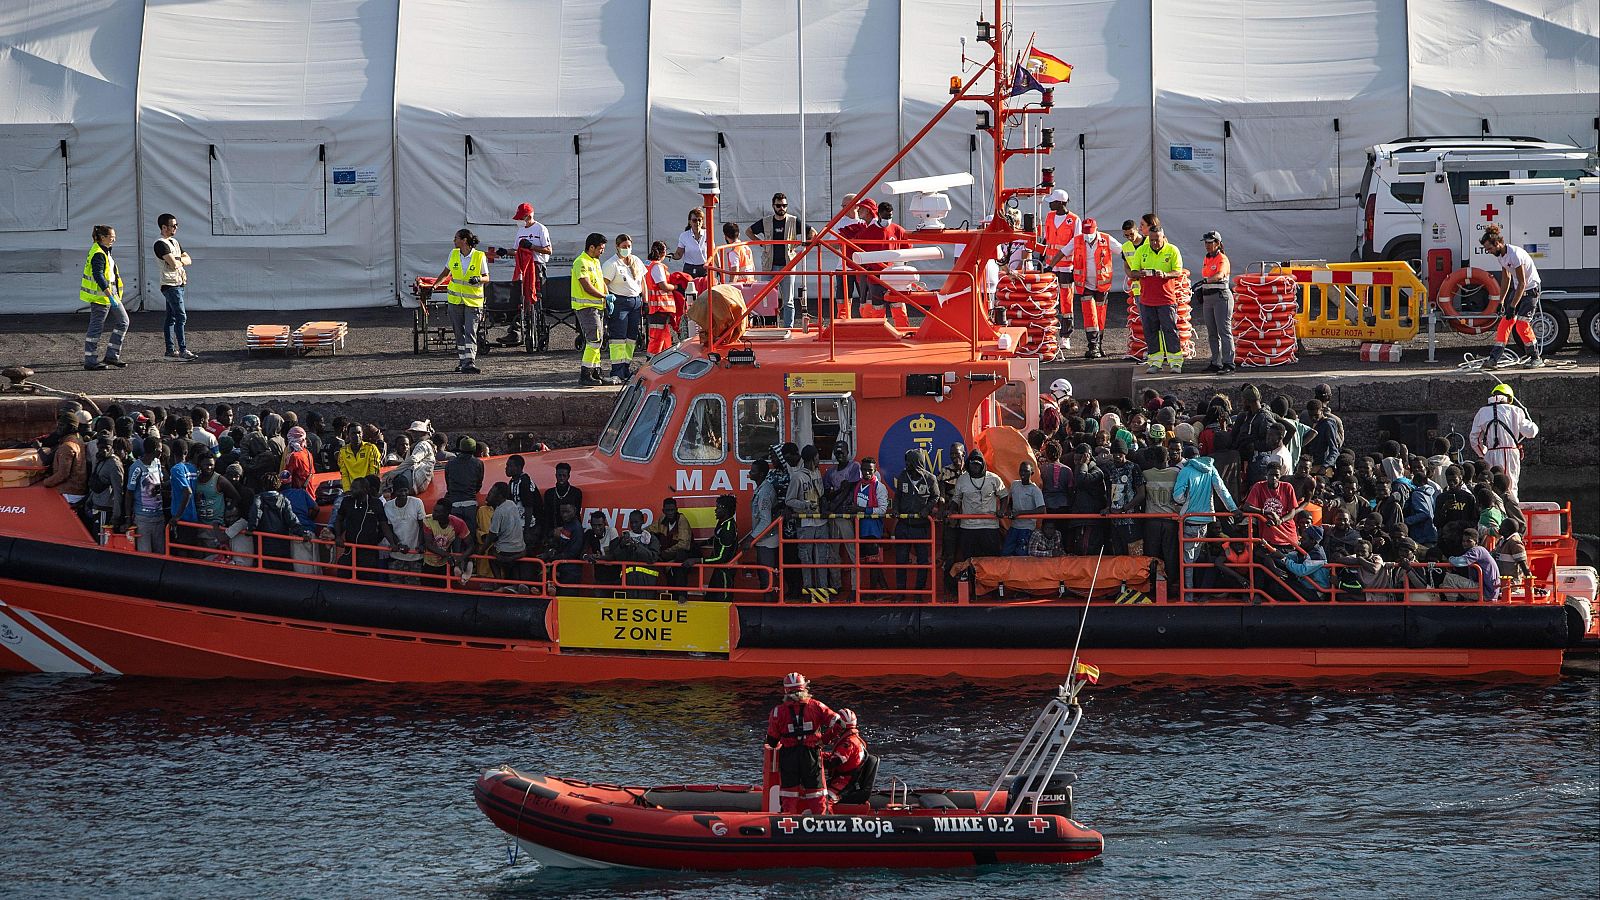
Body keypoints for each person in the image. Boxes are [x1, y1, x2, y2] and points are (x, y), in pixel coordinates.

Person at [764, 672, 841, 814]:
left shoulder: (777, 712)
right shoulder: (817, 706)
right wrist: (824, 740)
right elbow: (839, 723)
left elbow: (772, 741)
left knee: (789, 794)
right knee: (816, 793)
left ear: (786, 690)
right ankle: (820, 824)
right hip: (811, 754)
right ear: (804, 688)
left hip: (789, 756)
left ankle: (788, 823)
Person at [1479, 224, 1545, 368]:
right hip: (1519, 290)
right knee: (1505, 323)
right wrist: (1501, 301)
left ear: (1497, 244)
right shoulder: (1501, 256)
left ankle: (1535, 357)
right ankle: (1494, 359)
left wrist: (1513, 306)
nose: (1489, 251)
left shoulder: (1514, 254)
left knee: (1521, 324)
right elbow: (1506, 279)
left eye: (1489, 248)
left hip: (1530, 289)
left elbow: (1522, 282)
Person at [1172, 445, 1238, 588]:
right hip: (1206, 522)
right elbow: (1222, 490)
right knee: (1198, 559)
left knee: (1187, 562)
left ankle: (1188, 595)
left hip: (1189, 520)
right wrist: (1233, 508)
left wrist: (1186, 501)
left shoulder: (1185, 471)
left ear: (1186, 458)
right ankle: (1200, 591)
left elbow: (1177, 496)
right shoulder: (1211, 469)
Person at [1128, 221, 1186, 373]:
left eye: (1157, 239)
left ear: (1163, 237)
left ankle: (1175, 363)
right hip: (1147, 300)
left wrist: (1165, 275)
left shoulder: (1172, 250)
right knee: (1150, 331)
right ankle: (1155, 362)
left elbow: (1178, 271)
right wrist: (1139, 274)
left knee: (1170, 330)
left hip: (1166, 299)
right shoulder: (1142, 251)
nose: (1154, 242)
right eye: (1152, 239)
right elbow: (1133, 272)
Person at [747, 192, 811, 327]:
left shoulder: (793, 221)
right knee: (766, 298)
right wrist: (761, 243)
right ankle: (768, 326)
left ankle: (789, 327)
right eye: (779, 205)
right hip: (769, 266)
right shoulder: (766, 221)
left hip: (788, 266)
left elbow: (812, 233)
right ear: (773, 206)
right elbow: (749, 231)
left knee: (788, 300)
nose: (781, 208)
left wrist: (798, 243)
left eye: (784, 205)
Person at [1470, 383, 1538, 501]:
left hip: (1490, 453)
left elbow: (1474, 439)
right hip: (1511, 453)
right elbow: (1530, 432)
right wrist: (1533, 425)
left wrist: (1483, 453)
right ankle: (1513, 512)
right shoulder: (1516, 411)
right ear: (1509, 398)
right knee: (1511, 486)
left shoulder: (1482, 412)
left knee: (1491, 485)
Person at [435, 228, 488, 375]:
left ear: (464, 240)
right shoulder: (453, 254)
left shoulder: (479, 256)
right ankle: (462, 361)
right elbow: (446, 273)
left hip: (473, 302)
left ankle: (469, 362)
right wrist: (435, 285)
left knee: (470, 332)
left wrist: (478, 279)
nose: (454, 240)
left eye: (456, 238)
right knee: (459, 333)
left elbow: (486, 277)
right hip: (455, 301)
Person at [787, 445, 833, 601]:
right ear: (814, 458)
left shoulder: (817, 473)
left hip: (821, 522)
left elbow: (822, 495)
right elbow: (789, 500)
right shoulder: (797, 477)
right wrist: (805, 505)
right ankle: (808, 592)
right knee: (806, 559)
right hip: (805, 523)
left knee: (822, 558)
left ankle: (822, 593)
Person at [80, 224, 129, 371]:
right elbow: (98, 276)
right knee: (96, 328)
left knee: (123, 322)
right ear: (102, 237)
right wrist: (109, 294)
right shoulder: (98, 253)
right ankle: (90, 360)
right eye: (111, 236)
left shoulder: (104, 251)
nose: (114, 239)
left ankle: (112, 356)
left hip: (111, 295)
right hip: (101, 297)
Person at [1065, 217, 1116, 359]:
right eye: (1086, 232)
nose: (1088, 235)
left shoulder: (1106, 239)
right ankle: (1093, 346)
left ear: (1096, 229)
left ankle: (1099, 345)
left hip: (1102, 285)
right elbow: (1063, 252)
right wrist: (1050, 267)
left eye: (1090, 232)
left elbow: (1123, 251)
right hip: (1085, 285)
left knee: (1100, 315)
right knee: (1089, 314)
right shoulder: (1077, 240)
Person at [855, 202, 911, 327]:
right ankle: (879, 331)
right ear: (879, 215)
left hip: (894, 275)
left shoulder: (898, 230)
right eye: (886, 217)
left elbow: (908, 249)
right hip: (876, 277)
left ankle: (903, 329)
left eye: (890, 216)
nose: (888, 219)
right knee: (878, 307)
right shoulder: (868, 232)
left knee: (898, 305)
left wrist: (902, 268)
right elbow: (856, 249)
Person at [890, 448, 938, 594]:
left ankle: (919, 592)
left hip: (920, 526)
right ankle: (901, 592)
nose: (906, 465)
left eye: (909, 462)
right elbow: (897, 496)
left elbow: (935, 497)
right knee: (901, 560)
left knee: (922, 561)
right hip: (903, 525)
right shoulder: (903, 476)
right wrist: (896, 509)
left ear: (916, 463)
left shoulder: (930, 479)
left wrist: (927, 509)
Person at [1039, 189, 1080, 352]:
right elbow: (1046, 239)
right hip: (1050, 266)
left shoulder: (1074, 220)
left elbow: (1076, 244)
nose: (1050, 203)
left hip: (1066, 267)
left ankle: (1065, 336)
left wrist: (1075, 267)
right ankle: (1048, 333)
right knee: (1048, 300)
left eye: (1053, 201)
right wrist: (1041, 259)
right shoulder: (1049, 217)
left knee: (1066, 301)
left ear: (1061, 203)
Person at [504, 202, 551, 346]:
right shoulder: (520, 231)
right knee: (520, 298)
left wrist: (532, 247)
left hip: (536, 267)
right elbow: (516, 250)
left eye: (522, 217)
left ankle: (535, 324)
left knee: (535, 298)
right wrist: (505, 252)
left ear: (528, 215)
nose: (520, 221)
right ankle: (515, 330)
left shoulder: (540, 229)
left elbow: (548, 250)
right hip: (523, 267)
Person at [602, 233, 647, 384]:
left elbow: (643, 282)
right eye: (623, 247)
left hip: (635, 302)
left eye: (628, 246)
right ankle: (617, 370)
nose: (626, 249)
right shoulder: (612, 264)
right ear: (617, 247)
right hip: (620, 303)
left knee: (631, 338)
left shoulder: (636, 261)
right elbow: (604, 283)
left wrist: (645, 301)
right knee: (618, 339)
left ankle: (626, 367)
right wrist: (608, 300)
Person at [951, 449, 1008, 564]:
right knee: (969, 561)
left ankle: (991, 582)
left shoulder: (994, 478)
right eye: (973, 464)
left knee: (991, 560)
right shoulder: (962, 479)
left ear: (983, 465)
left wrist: (1002, 510)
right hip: (968, 527)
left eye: (978, 464)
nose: (975, 467)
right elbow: (956, 499)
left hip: (989, 526)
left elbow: (1004, 495)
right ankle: (972, 582)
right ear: (968, 464)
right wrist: (952, 510)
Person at [152, 213, 196, 360]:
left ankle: (170, 350)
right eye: (173, 225)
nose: (176, 228)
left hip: (179, 282)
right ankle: (182, 350)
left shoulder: (174, 242)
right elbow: (174, 263)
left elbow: (188, 259)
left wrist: (178, 260)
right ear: (164, 227)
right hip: (170, 285)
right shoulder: (160, 244)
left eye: (176, 225)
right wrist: (179, 260)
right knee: (180, 316)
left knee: (171, 317)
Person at [332, 475, 393, 581]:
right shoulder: (346, 501)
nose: (351, 490)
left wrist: (392, 543)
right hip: (350, 548)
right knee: (342, 573)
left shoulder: (376, 503)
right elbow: (338, 519)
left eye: (355, 488)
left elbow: (384, 525)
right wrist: (338, 536)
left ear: (365, 490)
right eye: (351, 487)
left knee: (368, 579)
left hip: (368, 551)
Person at [247, 473, 312, 571]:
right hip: (282, 544)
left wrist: (251, 529)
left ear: (263, 485)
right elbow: (292, 519)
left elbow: (255, 514)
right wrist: (303, 532)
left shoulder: (259, 498)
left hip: (264, 543)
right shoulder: (283, 500)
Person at [572, 232, 609, 386]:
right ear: (591, 247)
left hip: (596, 306)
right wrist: (605, 296)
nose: (603, 251)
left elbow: (600, 282)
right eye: (601, 248)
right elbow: (586, 286)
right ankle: (585, 374)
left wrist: (607, 295)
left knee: (598, 340)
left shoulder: (594, 261)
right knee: (594, 340)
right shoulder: (581, 262)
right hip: (586, 307)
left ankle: (595, 372)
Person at [1195, 231, 1235, 372]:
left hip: (1221, 297)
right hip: (1208, 298)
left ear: (1217, 243)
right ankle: (1215, 362)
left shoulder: (1222, 258)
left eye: (1210, 242)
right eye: (1205, 242)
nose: (1207, 245)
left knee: (1224, 331)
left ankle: (1228, 363)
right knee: (1212, 332)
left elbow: (1220, 274)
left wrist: (1207, 280)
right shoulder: (1207, 258)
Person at [822, 709, 874, 804]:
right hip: (844, 779)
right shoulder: (854, 739)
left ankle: (825, 817)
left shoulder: (848, 743)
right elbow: (838, 757)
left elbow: (834, 762)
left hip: (844, 782)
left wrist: (813, 761)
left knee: (823, 801)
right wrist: (819, 755)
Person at [384, 476, 428, 585]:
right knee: (396, 588)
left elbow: (423, 526)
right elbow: (389, 529)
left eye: (405, 490)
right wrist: (398, 544)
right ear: (394, 491)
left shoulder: (417, 502)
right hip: (396, 556)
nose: (403, 493)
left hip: (415, 556)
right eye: (400, 491)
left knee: (414, 589)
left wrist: (422, 544)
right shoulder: (388, 506)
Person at [643, 241, 681, 355]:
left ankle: (664, 359)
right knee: (658, 338)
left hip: (653, 307)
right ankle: (652, 362)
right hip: (660, 307)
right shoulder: (657, 266)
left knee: (663, 336)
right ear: (664, 253)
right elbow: (663, 286)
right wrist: (676, 287)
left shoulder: (648, 264)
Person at [1003, 461, 1044, 556]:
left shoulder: (1035, 490)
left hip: (1027, 528)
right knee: (1006, 552)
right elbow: (1011, 501)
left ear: (1032, 473)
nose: (1022, 473)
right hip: (1014, 526)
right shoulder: (1015, 484)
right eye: (1021, 471)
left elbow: (1041, 509)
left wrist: (1021, 513)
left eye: (1026, 471)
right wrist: (1009, 510)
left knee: (1022, 554)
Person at [1450, 527, 1501, 602]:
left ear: (1476, 542)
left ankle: (1452, 605)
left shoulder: (1476, 550)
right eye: (1463, 541)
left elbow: (1458, 562)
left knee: (1449, 578)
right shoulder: (1480, 550)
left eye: (1469, 541)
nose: (1465, 543)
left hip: (1486, 592)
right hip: (1490, 591)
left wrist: (1450, 558)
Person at [337, 421, 382, 491]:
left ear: (362, 434)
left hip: (369, 489)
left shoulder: (371, 448)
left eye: (359, 433)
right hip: (352, 491)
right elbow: (344, 474)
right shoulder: (343, 452)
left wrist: (369, 490)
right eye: (353, 433)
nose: (357, 436)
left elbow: (374, 473)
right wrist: (347, 490)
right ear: (348, 435)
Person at [399, 420, 437, 496]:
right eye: (413, 432)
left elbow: (414, 459)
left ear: (422, 433)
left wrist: (397, 470)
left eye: (416, 432)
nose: (413, 434)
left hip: (419, 477)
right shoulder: (416, 445)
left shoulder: (423, 445)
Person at [542, 462, 584, 532]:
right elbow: (547, 515)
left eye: (564, 475)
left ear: (568, 476)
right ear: (556, 475)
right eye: (559, 475)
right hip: (553, 530)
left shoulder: (576, 492)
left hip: (571, 531)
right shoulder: (549, 493)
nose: (561, 478)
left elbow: (576, 514)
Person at [672, 207, 708, 278]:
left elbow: (714, 251)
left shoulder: (708, 234)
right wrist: (670, 256)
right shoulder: (684, 236)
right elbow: (679, 254)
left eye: (699, 220)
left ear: (702, 221)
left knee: (706, 289)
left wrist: (718, 266)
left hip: (704, 268)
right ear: (689, 222)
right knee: (689, 288)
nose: (697, 223)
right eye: (694, 220)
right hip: (689, 269)